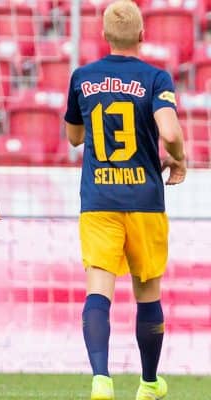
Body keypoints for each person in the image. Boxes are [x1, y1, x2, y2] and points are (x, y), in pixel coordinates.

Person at [64, 1, 187, 399]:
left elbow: (74, 137)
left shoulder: (82, 77)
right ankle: (149, 384)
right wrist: (180, 160)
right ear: (141, 34)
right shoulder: (155, 78)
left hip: (99, 199)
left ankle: (101, 378)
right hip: (145, 199)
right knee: (147, 292)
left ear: (103, 35)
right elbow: (168, 132)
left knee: (98, 289)